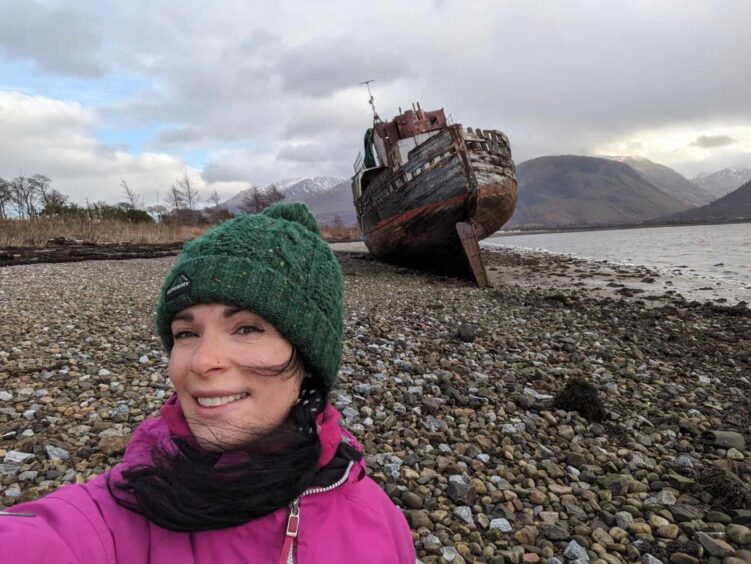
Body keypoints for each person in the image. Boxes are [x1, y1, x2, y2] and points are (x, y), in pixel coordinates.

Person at [0, 202, 416, 563]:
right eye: (186, 334)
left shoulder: (382, 522)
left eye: (248, 329)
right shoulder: (116, 516)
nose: (202, 362)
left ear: (310, 358)